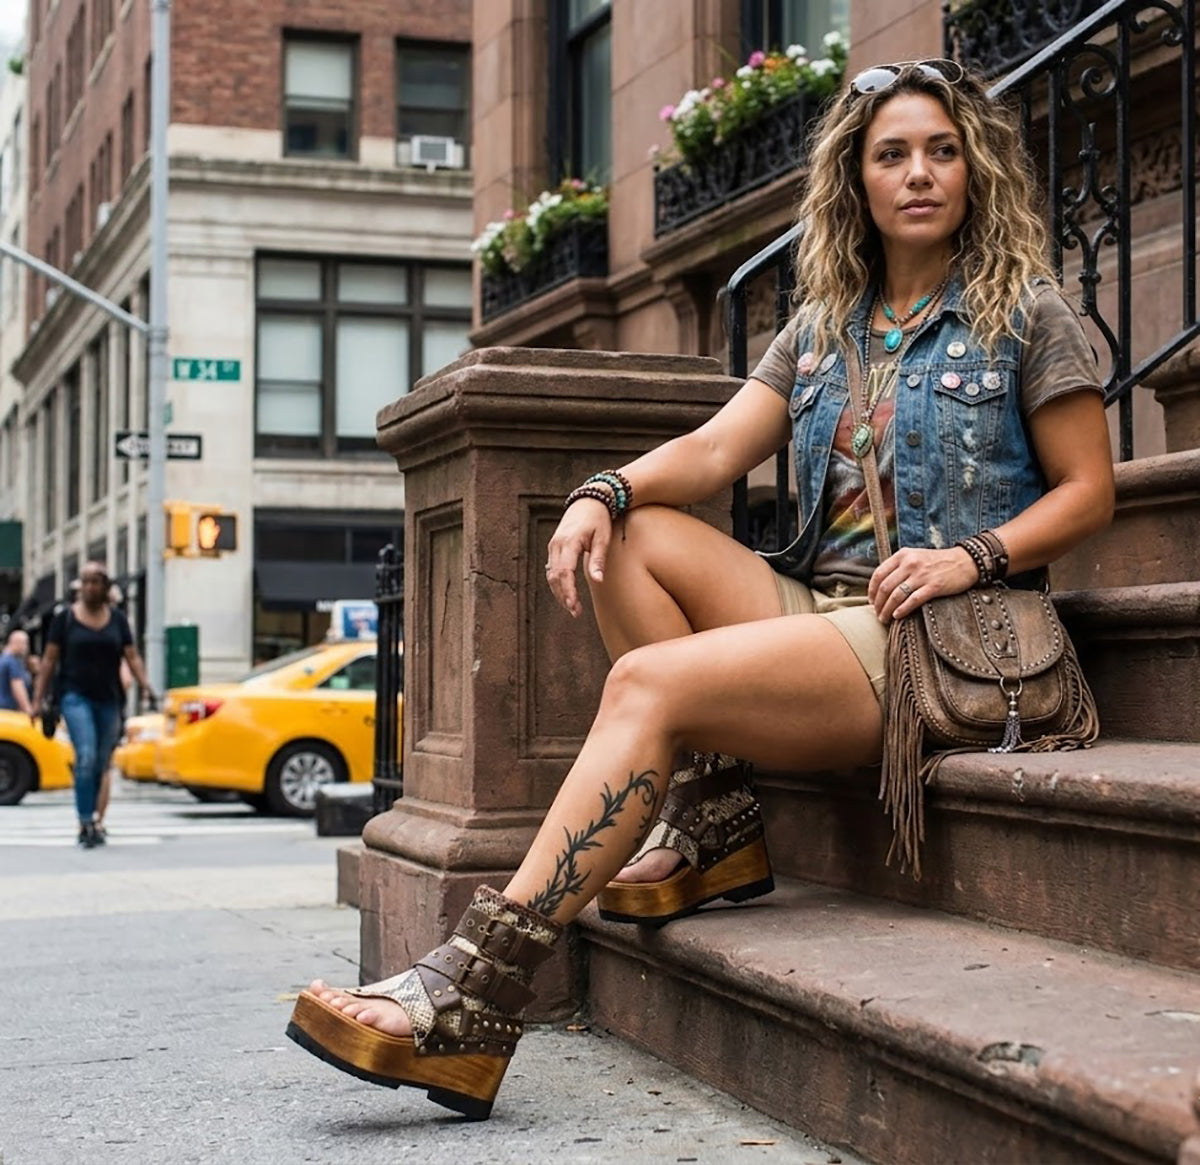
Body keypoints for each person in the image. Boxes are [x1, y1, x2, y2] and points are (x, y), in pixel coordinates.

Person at [289, 59, 1114, 1119]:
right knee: (629, 538)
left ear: (975, 171)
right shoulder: (824, 326)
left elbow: (1090, 494)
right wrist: (602, 489)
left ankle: (472, 993)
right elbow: (721, 445)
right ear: (856, 182)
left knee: (647, 685)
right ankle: (717, 819)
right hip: (829, 612)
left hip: (938, 635)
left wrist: (971, 557)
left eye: (942, 151)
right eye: (893, 154)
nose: (920, 173)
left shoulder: (1025, 312)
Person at [31, 562, 156, 848]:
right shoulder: (65, 620)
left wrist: (146, 685)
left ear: (105, 586)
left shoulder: (118, 620)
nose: (89, 587)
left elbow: (132, 656)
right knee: (85, 756)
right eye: (85, 582)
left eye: (95, 582)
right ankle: (85, 820)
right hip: (75, 696)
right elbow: (49, 660)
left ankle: (96, 820)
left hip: (109, 699)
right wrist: (37, 700)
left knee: (101, 763)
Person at [0, 630, 34, 715]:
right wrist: (28, 710)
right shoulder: (12, 662)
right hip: (7, 711)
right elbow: (18, 687)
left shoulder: (3, 659)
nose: (26, 647)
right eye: (25, 643)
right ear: (17, 642)